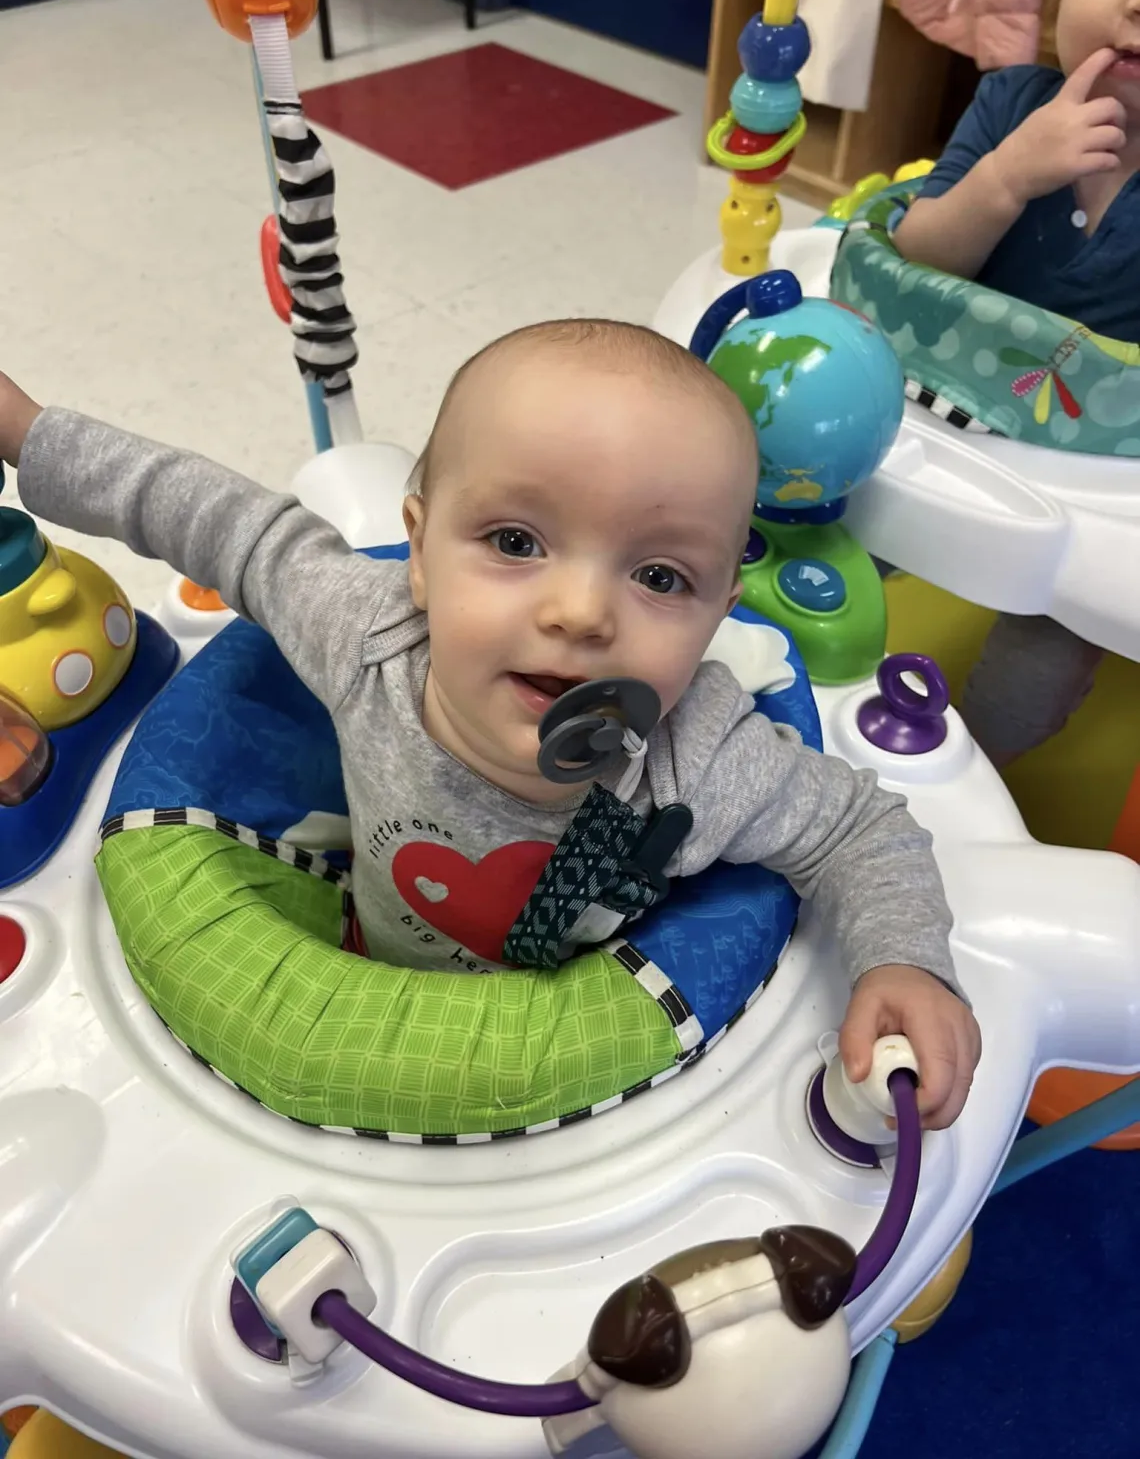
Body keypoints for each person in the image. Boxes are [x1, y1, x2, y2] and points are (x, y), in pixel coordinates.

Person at [0, 323, 980, 1128]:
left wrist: (904, 958)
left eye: (661, 576)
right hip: (355, 992)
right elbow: (215, 516)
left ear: (718, 611)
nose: (583, 612)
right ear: (420, 556)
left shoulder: (702, 756)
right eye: (516, 541)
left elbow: (860, 827)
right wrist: (26, 429)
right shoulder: (365, 633)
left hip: (590, 1106)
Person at [893, 0, 1140, 764]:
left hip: (1094, 487)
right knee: (816, 512)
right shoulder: (1008, 104)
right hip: (941, 421)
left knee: (1062, 633)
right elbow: (916, 264)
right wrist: (1007, 178)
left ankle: (959, 773)